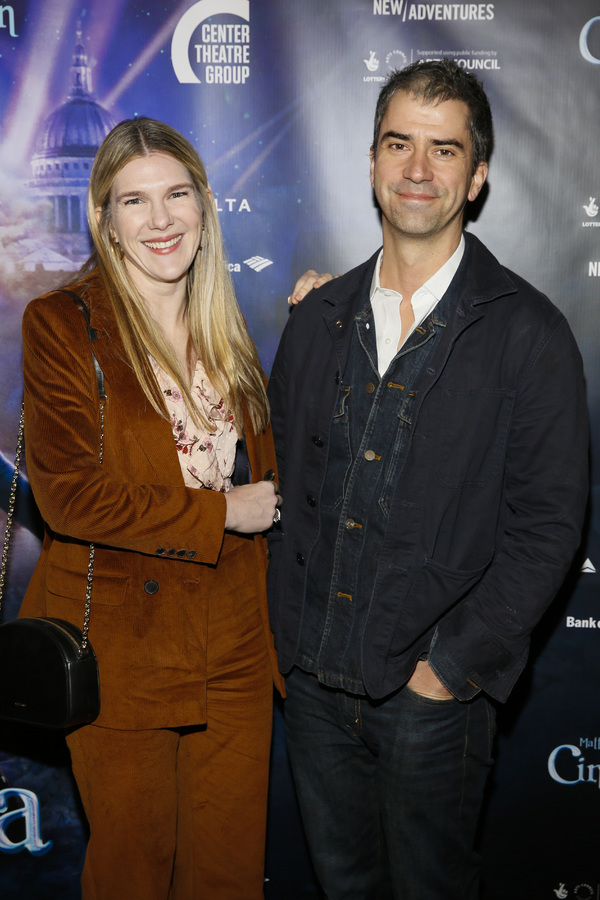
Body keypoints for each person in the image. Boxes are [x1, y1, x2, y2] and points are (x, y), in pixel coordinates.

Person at [266, 59, 589, 899]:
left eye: (444, 151)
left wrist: (449, 669)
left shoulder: (528, 332)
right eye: (399, 143)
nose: (418, 169)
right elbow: (279, 485)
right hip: (310, 688)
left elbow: (550, 523)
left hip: (431, 696)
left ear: (477, 177)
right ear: (371, 161)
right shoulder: (317, 320)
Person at [20, 117, 288, 900]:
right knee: (133, 874)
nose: (160, 219)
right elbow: (67, 495)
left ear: (205, 208)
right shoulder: (63, 324)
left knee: (228, 875)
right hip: (124, 641)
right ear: (104, 219)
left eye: (177, 195)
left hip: (235, 635)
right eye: (134, 201)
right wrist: (221, 515)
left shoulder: (228, 329)